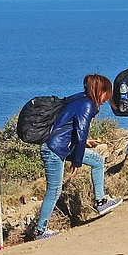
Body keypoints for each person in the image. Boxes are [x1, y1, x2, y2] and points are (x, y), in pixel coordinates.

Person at [35, 74, 123, 240]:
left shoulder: (80, 100)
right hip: (55, 149)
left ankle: (101, 202)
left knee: (97, 161)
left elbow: (71, 129)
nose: (107, 98)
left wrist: (83, 144)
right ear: (100, 91)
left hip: (61, 146)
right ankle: (41, 231)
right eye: (107, 93)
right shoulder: (87, 104)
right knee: (54, 191)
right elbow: (80, 134)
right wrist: (77, 162)